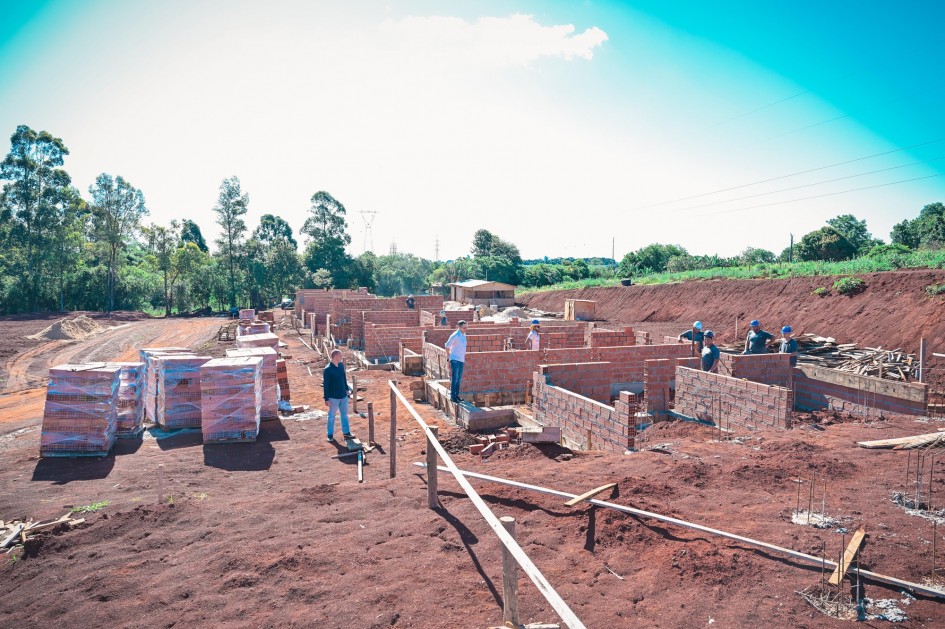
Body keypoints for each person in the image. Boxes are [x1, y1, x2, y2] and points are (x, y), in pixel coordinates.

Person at [323, 349, 353, 441]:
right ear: (335, 356)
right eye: (340, 355)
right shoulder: (328, 369)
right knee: (331, 416)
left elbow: (344, 378)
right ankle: (330, 434)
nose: (341, 357)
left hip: (343, 396)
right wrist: (326, 398)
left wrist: (347, 389)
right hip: (333, 398)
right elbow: (326, 385)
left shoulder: (340, 366)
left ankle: (346, 432)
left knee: (344, 414)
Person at [444, 320, 468, 403]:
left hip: (461, 359)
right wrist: (449, 356)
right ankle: (452, 396)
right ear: (459, 327)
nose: (466, 329)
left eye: (466, 327)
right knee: (455, 378)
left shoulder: (463, 335)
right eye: (464, 327)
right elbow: (447, 346)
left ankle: (456, 395)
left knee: (459, 378)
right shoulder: (455, 335)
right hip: (455, 359)